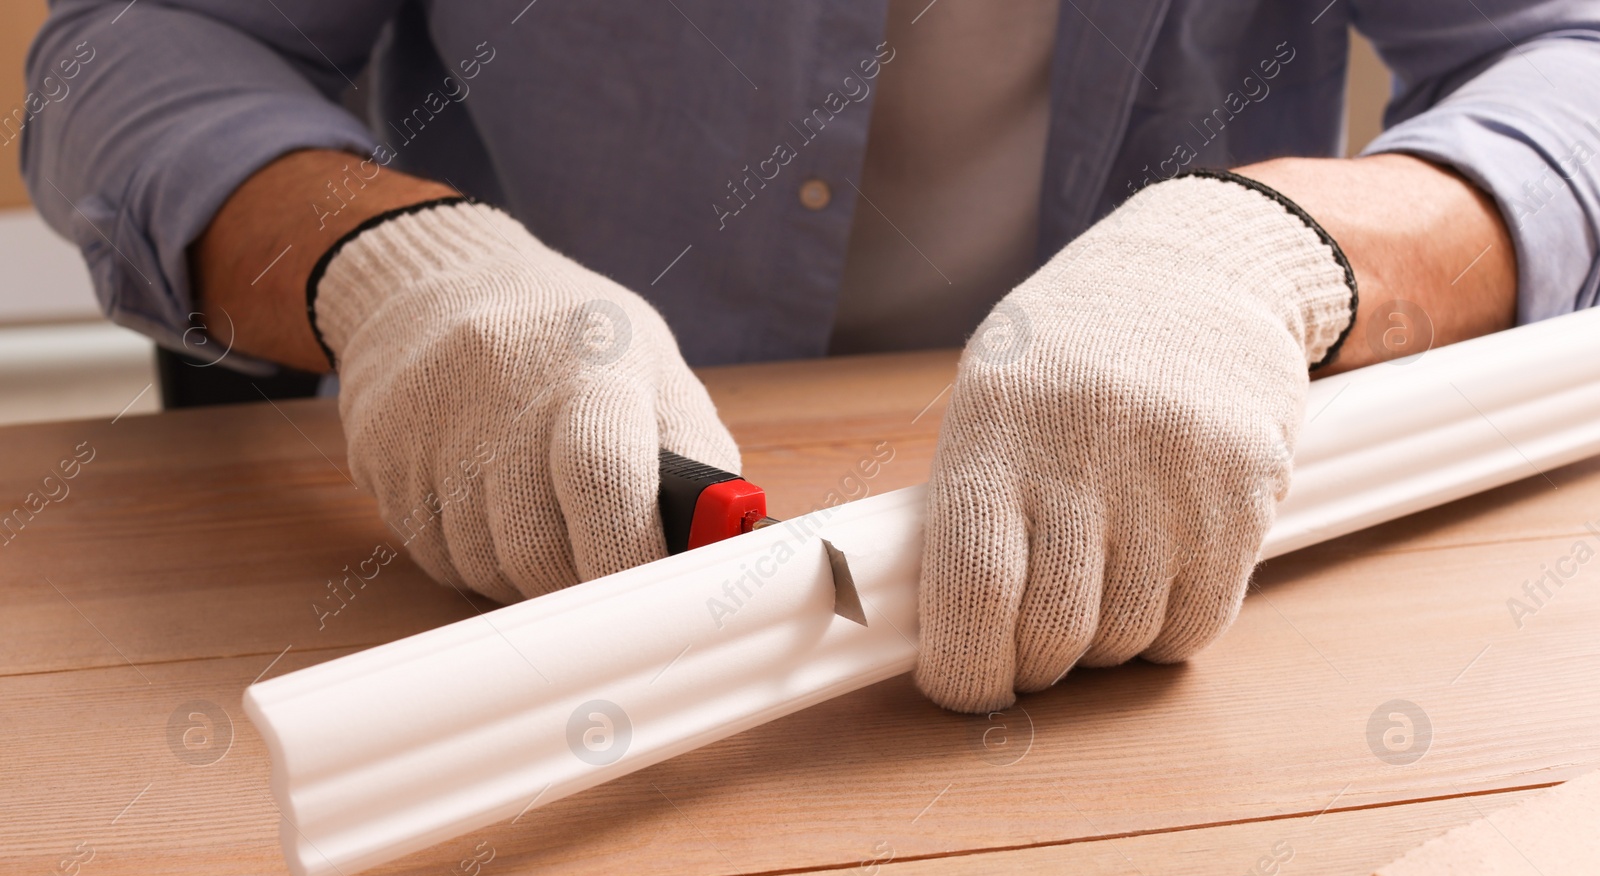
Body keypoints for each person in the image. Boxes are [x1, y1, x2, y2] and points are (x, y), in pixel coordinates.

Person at [22, 0, 1599, 712]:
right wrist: (393, 266)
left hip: (1198, 619)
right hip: (522, 613)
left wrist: (1281, 253)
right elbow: (134, 43)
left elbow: (1571, 56)